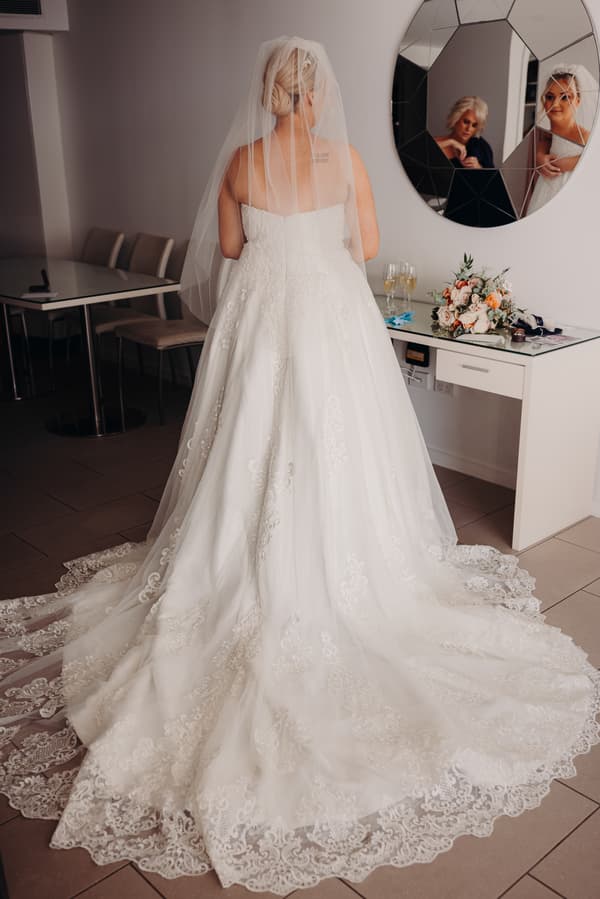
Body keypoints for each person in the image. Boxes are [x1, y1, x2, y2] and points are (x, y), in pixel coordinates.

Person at [0, 37, 598, 895]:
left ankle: (239, 563)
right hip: (330, 325)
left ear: (268, 92)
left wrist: (283, 246)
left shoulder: (242, 160)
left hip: (261, 328)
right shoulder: (345, 158)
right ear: (316, 95)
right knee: (341, 442)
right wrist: (316, 244)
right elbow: (364, 244)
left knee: (249, 441)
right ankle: (355, 564)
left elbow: (234, 250)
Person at [527, 66, 596, 215]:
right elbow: (547, 139)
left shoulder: (585, 136)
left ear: (578, 100)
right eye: (550, 97)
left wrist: (567, 163)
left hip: (573, 196)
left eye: (565, 97)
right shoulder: (546, 134)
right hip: (545, 191)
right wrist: (540, 155)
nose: (555, 104)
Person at [434, 96, 495, 169]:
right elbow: (419, 151)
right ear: (456, 118)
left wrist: (479, 168)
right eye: (466, 122)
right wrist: (451, 142)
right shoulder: (441, 143)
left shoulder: (482, 147)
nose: (469, 129)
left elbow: (491, 178)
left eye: (474, 125)